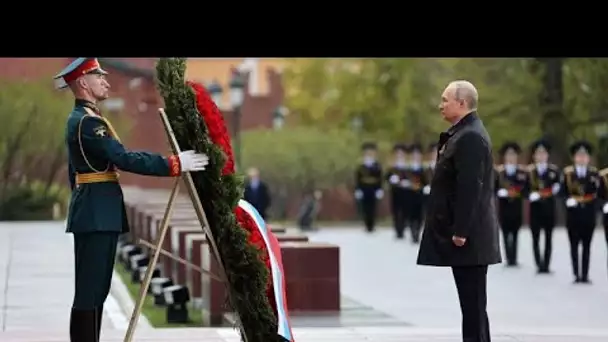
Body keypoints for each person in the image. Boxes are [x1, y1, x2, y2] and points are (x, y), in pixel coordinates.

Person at [55, 58, 210, 342]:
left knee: (97, 291)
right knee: (90, 292)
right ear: (82, 83)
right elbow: (123, 158)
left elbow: (74, 171)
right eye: (97, 76)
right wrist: (173, 163)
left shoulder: (87, 119)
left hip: (96, 212)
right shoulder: (88, 123)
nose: (106, 81)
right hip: (96, 215)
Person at [417, 80, 501, 342]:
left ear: (461, 103)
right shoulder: (463, 133)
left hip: (470, 238)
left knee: (473, 306)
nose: (440, 105)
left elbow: (470, 188)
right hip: (468, 236)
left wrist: (461, 230)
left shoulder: (471, 137)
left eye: (445, 99)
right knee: (472, 306)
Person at [561, 141, 599, 284]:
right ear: (574, 158)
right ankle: (576, 273)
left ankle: (585, 274)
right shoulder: (568, 174)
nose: (582, 158)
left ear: (588, 158)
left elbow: (598, 194)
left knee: (587, 246)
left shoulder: (594, 174)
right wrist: (568, 201)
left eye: (584, 155)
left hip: (588, 214)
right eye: (579, 155)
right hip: (573, 215)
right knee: (574, 245)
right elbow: (562, 192)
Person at [526, 139, 561, 274]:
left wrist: (557, 189)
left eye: (543, 153)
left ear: (547, 155)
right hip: (535, 209)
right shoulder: (529, 172)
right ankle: (538, 264)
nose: (541, 156)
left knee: (548, 237)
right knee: (535, 237)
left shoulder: (554, 171)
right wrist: (530, 195)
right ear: (534, 156)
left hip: (549, 208)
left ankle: (546, 264)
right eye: (538, 154)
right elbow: (524, 190)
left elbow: (560, 188)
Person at [494, 142, 528, 267]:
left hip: (516, 205)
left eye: (513, 155)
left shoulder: (522, 172)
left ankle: (514, 257)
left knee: (515, 232)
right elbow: (493, 188)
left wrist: (518, 193)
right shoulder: (499, 172)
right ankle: (508, 257)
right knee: (505, 231)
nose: (510, 157)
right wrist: (499, 192)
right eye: (508, 155)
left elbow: (526, 189)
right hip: (504, 206)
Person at [354, 142, 383, 232]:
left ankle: (372, 224)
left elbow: (379, 178)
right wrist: (358, 189)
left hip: (373, 189)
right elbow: (358, 179)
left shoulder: (377, 166)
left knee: (373, 207)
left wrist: (379, 189)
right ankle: (366, 224)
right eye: (367, 153)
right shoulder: (361, 166)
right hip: (364, 188)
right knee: (365, 207)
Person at [403, 143, 428, 243]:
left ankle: (417, 233)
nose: (415, 157)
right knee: (411, 214)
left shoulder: (423, 169)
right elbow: (403, 179)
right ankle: (412, 232)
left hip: (419, 194)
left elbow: (426, 180)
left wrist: (426, 186)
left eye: (417, 155)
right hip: (409, 194)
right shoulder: (407, 169)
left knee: (419, 214)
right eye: (414, 155)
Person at [384, 143, 409, 239]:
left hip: (406, 192)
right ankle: (397, 229)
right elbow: (386, 178)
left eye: (401, 153)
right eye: (398, 153)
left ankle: (403, 228)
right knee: (396, 210)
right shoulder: (392, 167)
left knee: (405, 210)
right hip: (395, 191)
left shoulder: (407, 167)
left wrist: (407, 182)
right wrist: (391, 179)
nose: (399, 155)